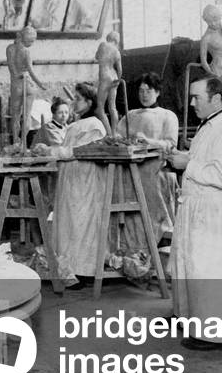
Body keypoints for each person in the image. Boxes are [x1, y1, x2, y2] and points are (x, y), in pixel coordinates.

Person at [167, 76, 222, 351]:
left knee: (212, 270)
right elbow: (204, 160)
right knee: (195, 267)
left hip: (213, 208)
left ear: (216, 98)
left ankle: (219, 335)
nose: (191, 103)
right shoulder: (211, 125)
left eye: (196, 98)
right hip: (198, 204)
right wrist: (185, 157)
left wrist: (186, 164)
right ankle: (195, 320)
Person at [42, 82, 109, 284]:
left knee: (82, 225)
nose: (74, 102)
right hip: (71, 179)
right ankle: (69, 269)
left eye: (78, 99)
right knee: (70, 225)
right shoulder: (78, 124)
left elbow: (80, 151)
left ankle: (84, 271)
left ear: (90, 102)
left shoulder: (95, 125)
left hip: (85, 181)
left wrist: (51, 151)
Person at [115, 73, 179, 239]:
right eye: (141, 91)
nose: (144, 95)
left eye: (148, 90)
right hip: (129, 165)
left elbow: (171, 144)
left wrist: (149, 142)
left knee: (150, 183)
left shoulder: (167, 116)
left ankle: (158, 234)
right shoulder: (130, 115)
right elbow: (117, 137)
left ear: (157, 92)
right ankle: (128, 238)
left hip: (156, 165)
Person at [7, 25, 46, 148]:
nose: (32, 43)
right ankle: (23, 142)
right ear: (25, 38)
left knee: (16, 116)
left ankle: (16, 142)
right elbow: (30, 70)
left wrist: (17, 75)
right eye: (31, 41)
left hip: (16, 84)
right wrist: (40, 83)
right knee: (27, 115)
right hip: (28, 84)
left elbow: (11, 67)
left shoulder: (10, 49)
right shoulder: (26, 51)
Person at [95, 31, 122, 135]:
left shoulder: (103, 45)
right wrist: (118, 80)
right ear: (116, 40)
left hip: (105, 77)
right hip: (114, 77)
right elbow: (120, 70)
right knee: (112, 107)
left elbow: (97, 57)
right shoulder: (117, 52)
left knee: (100, 108)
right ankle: (115, 133)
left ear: (108, 38)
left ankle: (109, 134)